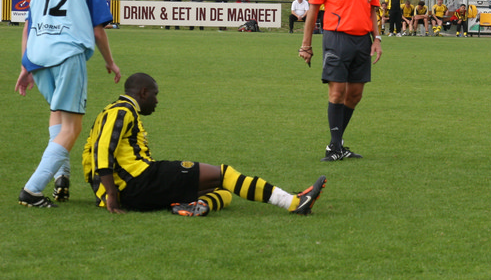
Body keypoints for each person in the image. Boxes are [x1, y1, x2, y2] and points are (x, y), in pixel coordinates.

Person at [82, 73, 325, 216]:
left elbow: (90, 154)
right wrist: (111, 194)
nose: (156, 101)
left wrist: (105, 194)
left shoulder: (114, 111)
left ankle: (195, 206)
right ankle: (294, 203)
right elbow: (102, 150)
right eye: (155, 94)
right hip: (140, 181)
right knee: (224, 174)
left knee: (223, 191)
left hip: (135, 190)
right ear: (143, 92)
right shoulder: (121, 110)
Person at [15, 0, 121, 208]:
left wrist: (25, 65)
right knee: (73, 127)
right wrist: (110, 61)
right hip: (67, 54)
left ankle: (62, 177)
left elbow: (28, 25)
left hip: (37, 56)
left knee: (58, 113)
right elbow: (98, 30)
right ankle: (32, 190)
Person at [299, 0, 382, 162]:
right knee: (337, 92)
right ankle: (335, 147)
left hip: (362, 41)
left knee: (355, 94)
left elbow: (373, 10)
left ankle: (336, 145)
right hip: (336, 39)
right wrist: (306, 45)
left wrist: (377, 39)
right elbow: (313, 9)